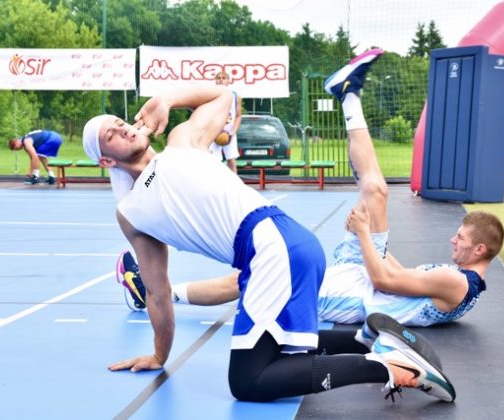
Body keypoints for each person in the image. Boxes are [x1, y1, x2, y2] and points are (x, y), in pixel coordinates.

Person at [82, 56, 456, 404]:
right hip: (280, 249)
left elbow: (223, 95)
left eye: (121, 121)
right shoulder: (131, 213)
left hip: (272, 245)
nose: (124, 128)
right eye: (112, 134)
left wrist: (166, 97)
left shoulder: (182, 141)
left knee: (248, 381)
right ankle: (367, 339)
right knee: (276, 350)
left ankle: (393, 368)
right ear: (105, 159)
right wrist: (159, 354)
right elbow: (158, 292)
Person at [119, 48, 504, 333]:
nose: (454, 238)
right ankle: (348, 95)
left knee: (246, 279)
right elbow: (397, 274)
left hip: (352, 293)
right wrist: (373, 241)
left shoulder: (456, 282)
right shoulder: (457, 280)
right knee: (377, 190)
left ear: (480, 250)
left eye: (462, 237)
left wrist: (366, 235)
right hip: (366, 268)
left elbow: (385, 283)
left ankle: (161, 294)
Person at [208, 71, 241, 173]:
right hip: (214, 132)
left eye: (223, 78)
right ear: (215, 81)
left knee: (231, 160)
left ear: (228, 81)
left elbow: (238, 116)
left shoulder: (235, 96)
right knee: (214, 161)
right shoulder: (209, 95)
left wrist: (232, 132)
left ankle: (234, 185)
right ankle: (215, 185)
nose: (221, 80)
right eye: (218, 78)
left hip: (229, 132)